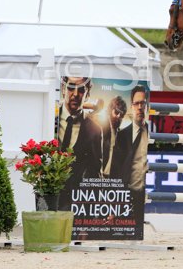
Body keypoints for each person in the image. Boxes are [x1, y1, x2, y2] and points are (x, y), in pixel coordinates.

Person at [57, 76, 103, 210]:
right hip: (49, 196)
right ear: (63, 89)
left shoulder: (94, 129)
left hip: (77, 202)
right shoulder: (50, 118)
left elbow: (95, 171)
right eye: (71, 87)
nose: (76, 94)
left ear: (87, 94)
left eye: (81, 90)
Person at [110, 85, 149, 219]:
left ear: (147, 105)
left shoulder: (151, 133)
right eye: (136, 103)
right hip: (126, 195)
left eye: (143, 103)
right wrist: (113, 204)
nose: (140, 107)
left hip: (144, 193)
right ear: (132, 106)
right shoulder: (122, 135)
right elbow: (115, 171)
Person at [101, 96, 127, 178]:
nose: (118, 116)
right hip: (96, 177)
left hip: (111, 178)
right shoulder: (100, 128)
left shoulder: (120, 135)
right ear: (110, 110)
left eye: (121, 114)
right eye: (116, 112)